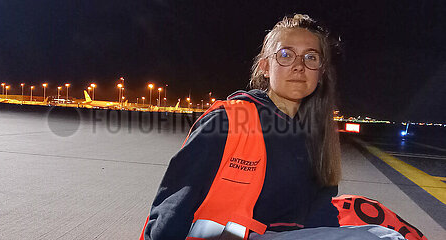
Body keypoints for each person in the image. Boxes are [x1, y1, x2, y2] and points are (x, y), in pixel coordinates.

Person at [140, 14, 403, 240]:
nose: (299, 65)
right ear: (265, 67)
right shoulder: (228, 121)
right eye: (286, 55)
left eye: (311, 57)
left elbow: (320, 217)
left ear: (320, 73)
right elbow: (175, 202)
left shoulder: (316, 138)